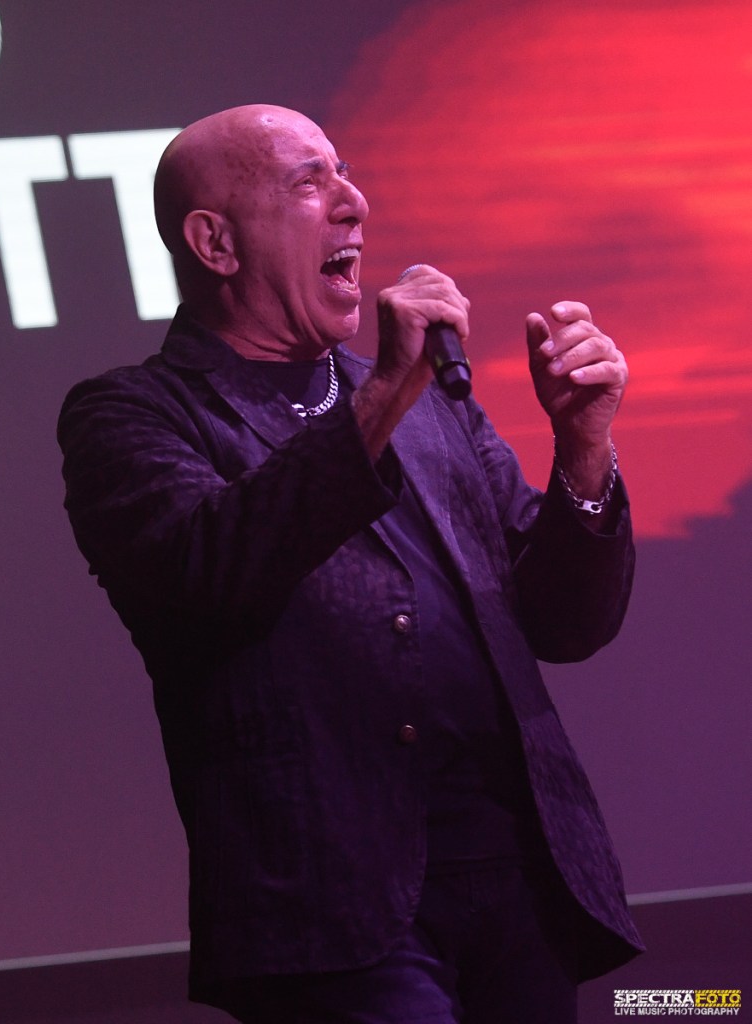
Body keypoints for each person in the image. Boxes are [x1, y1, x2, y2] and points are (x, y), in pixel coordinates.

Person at [58, 104, 643, 1023]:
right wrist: (384, 398)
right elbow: (216, 567)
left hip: (517, 876)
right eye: (309, 181)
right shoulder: (133, 415)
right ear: (215, 243)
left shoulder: (429, 402)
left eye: (346, 172)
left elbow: (565, 624)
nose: (353, 202)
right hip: (329, 905)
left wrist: (582, 449)